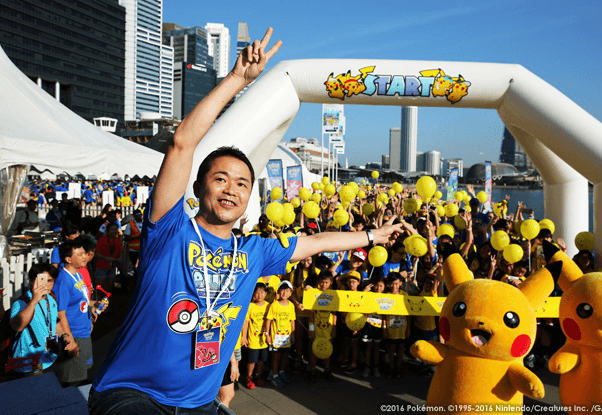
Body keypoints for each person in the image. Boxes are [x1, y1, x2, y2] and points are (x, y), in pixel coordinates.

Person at [89, 28, 402, 414]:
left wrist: (373, 234)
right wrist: (238, 80)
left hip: (198, 403)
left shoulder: (254, 250)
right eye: (220, 179)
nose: (231, 189)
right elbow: (182, 143)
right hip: (131, 394)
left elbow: (317, 241)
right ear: (200, 186)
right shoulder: (170, 229)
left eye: (241, 183)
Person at [52, 240, 107, 386]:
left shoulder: (77, 275)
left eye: (84, 253)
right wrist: (70, 341)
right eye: (80, 254)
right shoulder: (63, 280)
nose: (85, 257)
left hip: (83, 332)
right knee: (71, 379)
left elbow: (80, 301)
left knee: (81, 373)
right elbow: (60, 314)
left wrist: (95, 305)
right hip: (74, 334)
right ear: (68, 259)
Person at [9, 264, 68, 376]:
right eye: (41, 280)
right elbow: (17, 326)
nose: (45, 285)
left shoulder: (51, 299)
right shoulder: (21, 303)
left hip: (49, 358)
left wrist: (65, 336)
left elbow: (54, 323)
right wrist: (34, 300)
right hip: (27, 364)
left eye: (49, 281)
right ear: (32, 281)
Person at [264, 280, 296, 388]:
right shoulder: (274, 305)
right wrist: (267, 334)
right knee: (275, 357)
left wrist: (293, 335)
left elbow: (292, 321)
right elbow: (268, 320)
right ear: (278, 292)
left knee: (284, 356)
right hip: (275, 337)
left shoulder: (291, 306)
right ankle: (274, 375)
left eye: (287, 291)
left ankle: (281, 372)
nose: (284, 293)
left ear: (291, 293)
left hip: (286, 337)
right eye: (282, 290)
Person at [241, 283, 269, 389]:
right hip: (253, 338)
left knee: (262, 360)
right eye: (257, 293)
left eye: (262, 292)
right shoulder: (250, 306)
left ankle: (258, 375)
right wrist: (244, 337)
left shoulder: (268, 305)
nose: (259, 295)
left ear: (266, 293)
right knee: (252, 360)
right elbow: (246, 322)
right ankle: (249, 377)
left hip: (264, 339)